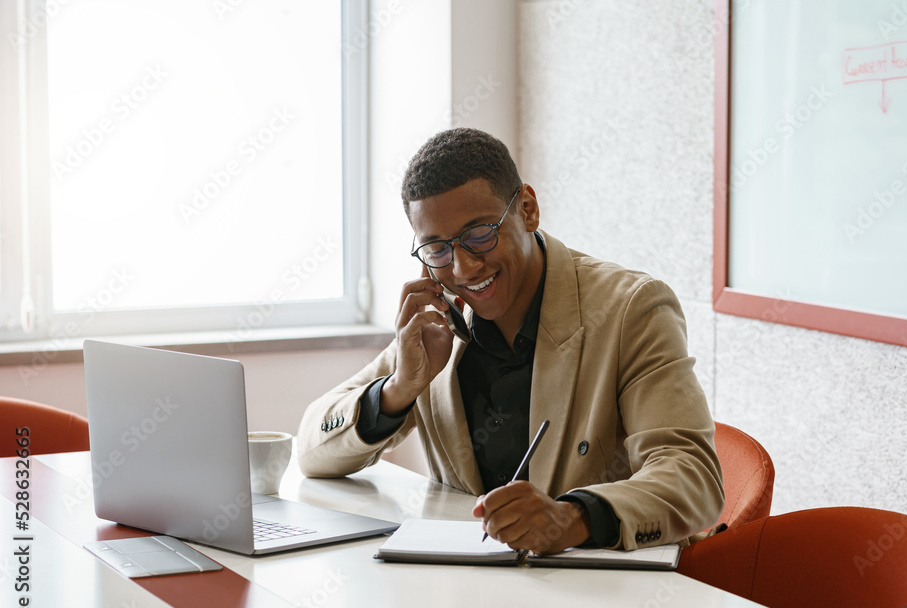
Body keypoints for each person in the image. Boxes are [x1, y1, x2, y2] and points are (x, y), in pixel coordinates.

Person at [297, 128, 724, 553]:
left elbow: (693, 476)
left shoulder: (630, 308)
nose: (462, 268)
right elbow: (312, 452)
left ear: (528, 209)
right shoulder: (439, 325)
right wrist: (399, 388)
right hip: (480, 592)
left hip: (608, 592)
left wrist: (571, 518)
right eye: (437, 250)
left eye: (479, 235)